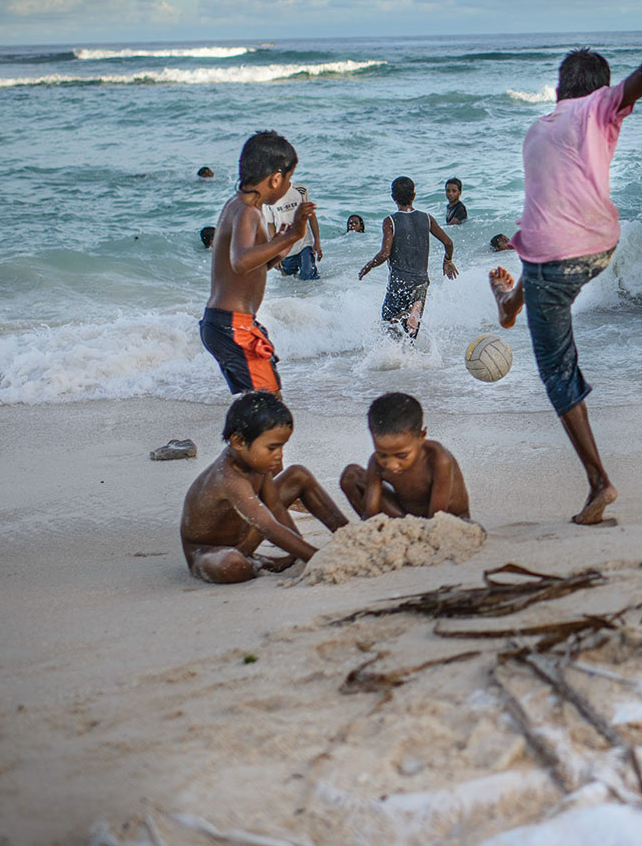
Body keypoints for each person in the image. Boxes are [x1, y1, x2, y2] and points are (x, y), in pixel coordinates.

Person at [491, 0, 642, 525]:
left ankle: (599, 484)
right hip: (597, 245)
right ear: (598, 91)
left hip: (554, 255)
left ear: (556, 90)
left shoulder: (539, 127)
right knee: (545, 282)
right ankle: (514, 305)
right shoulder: (598, 112)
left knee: (558, 374)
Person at [179, 391, 348, 583]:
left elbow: (274, 506)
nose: (279, 455)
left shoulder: (257, 462)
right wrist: (319, 558)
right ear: (239, 441)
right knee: (232, 565)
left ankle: (349, 535)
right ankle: (259, 563)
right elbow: (268, 527)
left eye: (282, 447)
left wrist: (298, 550)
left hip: (244, 537)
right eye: (272, 448)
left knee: (298, 475)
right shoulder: (228, 478)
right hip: (209, 553)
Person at [200, 131, 314, 393]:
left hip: (222, 323)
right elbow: (240, 261)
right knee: (271, 407)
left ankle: (238, 435)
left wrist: (284, 245)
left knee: (255, 407)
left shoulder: (237, 205)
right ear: (276, 179)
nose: (289, 184)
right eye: (289, 178)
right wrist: (286, 238)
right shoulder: (247, 211)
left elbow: (250, 268)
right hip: (233, 326)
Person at [339, 392, 471, 519]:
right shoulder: (376, 463)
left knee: (474, 528)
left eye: (401, 455)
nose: (391, 465)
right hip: (405, 517)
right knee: (351, 476)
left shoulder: (438, 458)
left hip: (448, 518)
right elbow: (370, 512)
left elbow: (438, 516)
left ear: (421, 437)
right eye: (382, 454)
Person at [358, 176, 458, 338]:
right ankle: (411, 312)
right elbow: (448, 243)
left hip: (399, 283)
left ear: (393, 197)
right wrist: (448, 261)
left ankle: (403, 316)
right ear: (414, 195)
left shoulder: (390, 221)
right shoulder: (427, 218)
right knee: (410, 335)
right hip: (420, 282)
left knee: (388, 328)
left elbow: (385, 254)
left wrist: (369, 265)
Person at [265, 179, 322, 281]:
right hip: (285, 247)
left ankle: (315, 296)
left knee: (309, 277)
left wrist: (317, 241)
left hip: (304, 243)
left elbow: (311, 216)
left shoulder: (300, 190)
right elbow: (270, 225)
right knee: (289, 281)